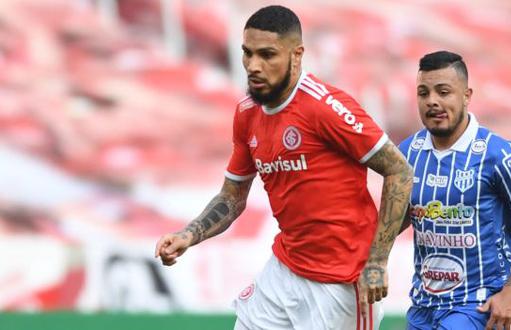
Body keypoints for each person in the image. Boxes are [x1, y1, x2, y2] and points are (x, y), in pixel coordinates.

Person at [154, 5, 413, 330]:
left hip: (342, 282)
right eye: (247, 53)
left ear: (296, 55)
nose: (253, 66)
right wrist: (187, 235)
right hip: (285, 269)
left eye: (267, 55)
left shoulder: (326, 108)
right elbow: (232, 196)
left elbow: (398, 170)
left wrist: (377, 261)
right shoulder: (248, 113)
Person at [398, 50, 511, 330]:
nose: (433, 101)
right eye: (424, 93)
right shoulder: (409, 153)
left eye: (443, 92)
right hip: (423, 306)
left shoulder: (497, 154)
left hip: (479, 305)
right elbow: (397, 218)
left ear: (467, 96)